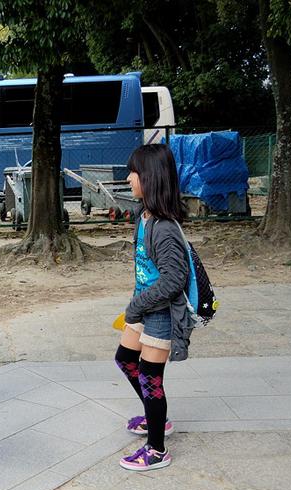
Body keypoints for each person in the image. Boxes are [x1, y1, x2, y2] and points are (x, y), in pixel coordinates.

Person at [115, 143, 194, 471]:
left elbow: (174, 281)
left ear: (151, 177)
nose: (129, 177)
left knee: (150, 377)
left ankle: (157, 449)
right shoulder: (144, 216)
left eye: (134, 172)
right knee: (125, 360)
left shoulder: (163, 229)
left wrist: (136, 307)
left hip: (161, 313)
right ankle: (155, 416)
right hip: (144, 308)